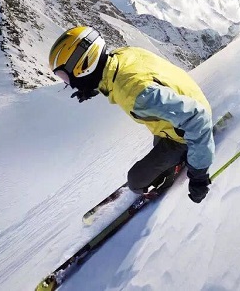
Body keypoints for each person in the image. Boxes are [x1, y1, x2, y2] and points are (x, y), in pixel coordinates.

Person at [48, 26, 213, 203]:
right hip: (188, 100)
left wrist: (199, 176)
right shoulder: (122, 55)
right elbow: (127, 77)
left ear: (83, 66)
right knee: (158, 145)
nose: (70, 84)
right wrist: (92, 87)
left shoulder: (134, 94)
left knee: (135, 182)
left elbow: (197, 118)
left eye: (66, 77)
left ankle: (182, 162)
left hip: (188, 127)